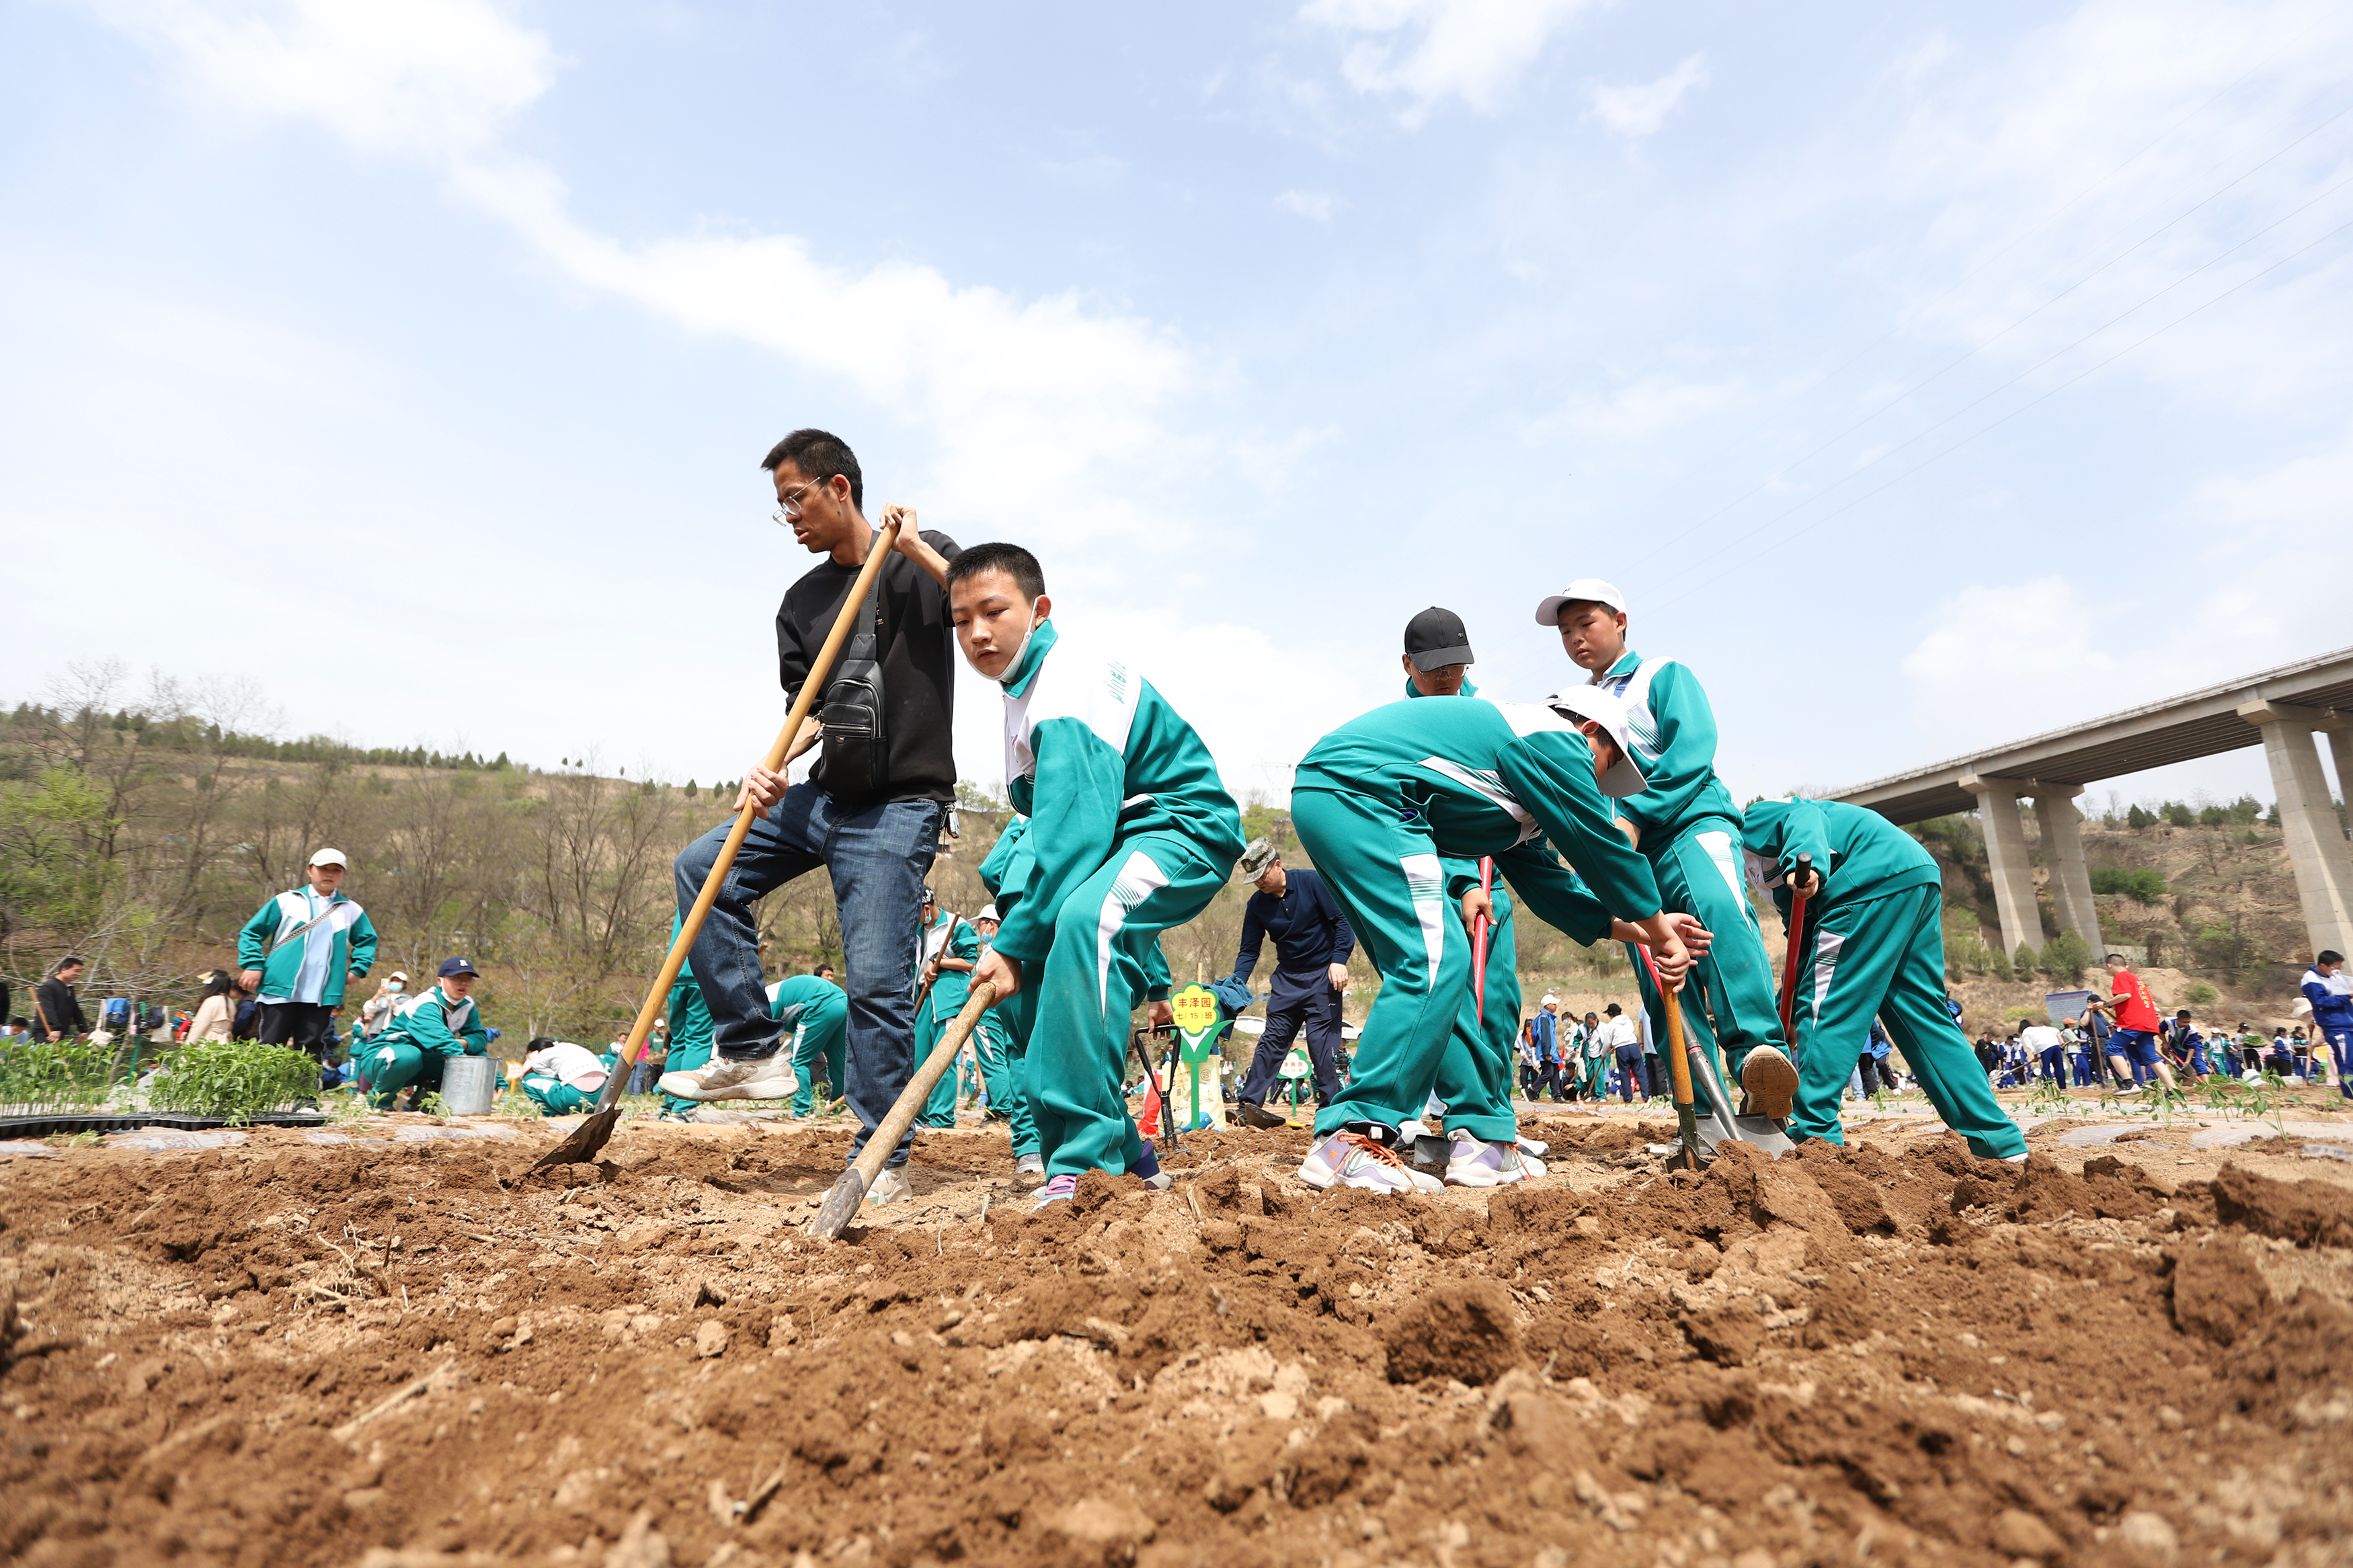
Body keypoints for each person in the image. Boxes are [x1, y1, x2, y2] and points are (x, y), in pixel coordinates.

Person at [663, 429, 961, 1208]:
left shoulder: (918, 558)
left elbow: (972, 599)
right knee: (702, 868)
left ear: (839, 487)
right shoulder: (799, 603)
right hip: (825, 796)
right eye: (778, 507)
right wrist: (775, 764)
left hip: (899, 805)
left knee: (874, 980)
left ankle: (881, 1150)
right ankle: (754, 1046)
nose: (788, 518)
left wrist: (916, 544)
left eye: (795, 499)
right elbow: (809, 710)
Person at [1285, 682, 1710, 1192]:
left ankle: (1482, 1140)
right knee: (1432, 962)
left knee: (1445, 970)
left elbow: (1552, 886)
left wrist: (1640, 930)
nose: (1598, 785)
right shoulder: (1553, 738)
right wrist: (1663, 933)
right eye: (1605, 767)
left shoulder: (1519, 789)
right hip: (1364, 796)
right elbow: (1602, 851)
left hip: (1343, 796)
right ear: (1591, 731)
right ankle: (1351, 1138)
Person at [950, 542, 1245, 1206]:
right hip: (1117, 838)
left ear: (1039, 609)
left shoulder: (1065, 680)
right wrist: (1016, 939)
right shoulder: (1019, 692)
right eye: (960, 618)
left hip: (1178, 826)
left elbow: (1074, 834)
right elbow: (1041, 829)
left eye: (993, 611)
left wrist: (1012, 938)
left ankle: (1084, 1161)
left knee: (1088, 920)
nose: (976, 632)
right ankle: (1122, 1149)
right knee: (1041, 959)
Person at [1539, 577, 1796, 1121]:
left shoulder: (1662, 674)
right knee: (1661, 970)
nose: (1576, 639)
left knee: (1719, 913)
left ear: (1621, 621)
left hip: (1688, 821)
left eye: (1587, 624)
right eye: (1566, 631)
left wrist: (1632, 816)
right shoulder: (1572, 708)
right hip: (1624, 854)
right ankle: (1701, 1112)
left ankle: (1758, 1057)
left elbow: (1692, 751)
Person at [1739, 796, 2028, 1161]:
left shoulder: (1747, 821)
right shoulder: (1748, 872)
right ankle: (1997, 1141)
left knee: (1826, 1008)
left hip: (1864, 884)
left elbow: (1803, 815)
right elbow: (1800, 937)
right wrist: (1792, 1001)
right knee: (1922, 1017)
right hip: (1910, 876)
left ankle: (1813, 1133)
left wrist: (1806, 857)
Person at [1395, 606, 1531, 1143]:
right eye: (1435, 670)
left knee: (1497, 1003)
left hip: (1491, 876)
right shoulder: (1399, 728)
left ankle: (1495, 1119)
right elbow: (1411, 819)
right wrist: (1460, 881)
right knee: (1448, 1000)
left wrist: (1481, 882)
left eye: (1457, 667)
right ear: (1407, 665)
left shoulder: (1488, 715)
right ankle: (1460, 1118)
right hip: (1430, 880)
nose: (1448, 679)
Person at [1227, 838, 1357, 1128]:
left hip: (1324, 976)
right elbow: (1249, 950)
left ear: (1278, 864)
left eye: (1262, 875)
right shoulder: (1257, 905)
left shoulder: (1313, 883)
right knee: (1272, 1040)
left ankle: (1331, 1109)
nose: (1259, 882)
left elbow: (1343, 922)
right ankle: (1248, 1105)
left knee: (1321, 1044)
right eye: (1254, 879)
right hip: (1287, 979)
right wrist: (1236, 983)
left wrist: (1339, 959)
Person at [236, 848, 378, 1072]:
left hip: (321, 993)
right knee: (270, 1044)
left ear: (343, 875)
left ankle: (305, 1101)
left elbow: (367, 940)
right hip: (279, 986)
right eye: (323, 869)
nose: (329, 874)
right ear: (310, 871)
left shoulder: (350, 909)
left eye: (336, 870)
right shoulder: (286, 901)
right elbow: (251, 933)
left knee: (311, 1047)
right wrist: (253, 964)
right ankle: (261, 1098)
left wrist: (358, 969)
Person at [976, 819, 1045, 1175]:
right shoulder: (1099, 806)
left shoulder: (1026, 819)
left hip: (1021, 947)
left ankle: (1031, 1148)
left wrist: (1013, 912)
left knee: (1021, 1052)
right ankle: (1069, 1144)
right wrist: (1157, 988)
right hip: (1069, 943)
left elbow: (991, 868)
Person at [361, 958, 490, 1110]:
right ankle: (380, 1103)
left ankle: (423, 1102)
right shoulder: (426, 1002)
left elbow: (480, 1038)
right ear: (440, 981)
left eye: (468, 979)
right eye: (456, 978)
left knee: (477, 1056)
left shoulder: (467, 1005)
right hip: (382, 1058)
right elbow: (442, 1041)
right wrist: (466, 1062)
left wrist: (463, 1044)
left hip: (420, 1061)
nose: (463, 983)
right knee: (411, 1055)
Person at [913, 889, 979, 1128]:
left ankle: (941, 1118)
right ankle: (917, 1115)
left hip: (948, 999)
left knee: (943, 1058)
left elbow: (970, 962)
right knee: (918, 1058)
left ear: (927, 909)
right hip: (923, 997)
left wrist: (938, 964)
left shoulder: (956, 925)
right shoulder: (917, 931)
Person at [775, 967, 850, 1118]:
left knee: (797, 1061)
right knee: (839, 1062)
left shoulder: (764, 1003)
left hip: (820, 1005)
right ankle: (838, 1106)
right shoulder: (769, 995)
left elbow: (764, 1039)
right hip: (842, 1002)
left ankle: (802, 1109)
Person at [2095, 953, 2173, 1094]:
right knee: (2152, 1058)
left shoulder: (2121, 976)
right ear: (2126, 965)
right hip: (2148, 1022)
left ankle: (2129, 1083)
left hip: (2132, 1021)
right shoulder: (2137, 980)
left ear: (2109, 965)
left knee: (2113, 1049)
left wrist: (2105, 1004)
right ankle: (2173, 1089)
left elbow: (2125, 995)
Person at [518, 1037, 621, 1115]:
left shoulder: (542, 1055)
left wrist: (531, 1061)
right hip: (604, 1100)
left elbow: (527, 1072)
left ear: (534, 1052)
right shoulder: (571, 1046)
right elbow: (609, 1060)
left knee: (527, 1080)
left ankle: (552, 1114)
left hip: (575, 1100)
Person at [2306, 952, 2352, 1099]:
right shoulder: (2311, 979)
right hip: (2336, 1026)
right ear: (2323, 965)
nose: (2337, 971)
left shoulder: (2333, 977)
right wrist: (2348, 996)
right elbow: (2321, 1002)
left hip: (2348, 1023)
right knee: (2346, 1062)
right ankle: (2350, 1095)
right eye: (2335, 967)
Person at [34, 957, 90, 1042]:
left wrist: (83, 1029)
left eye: (80, 972)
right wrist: (55, 1028)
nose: (79, 974)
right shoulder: (48, 987)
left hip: (60, 1033)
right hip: (47, 1032)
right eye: (76, 971)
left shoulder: (68, 988)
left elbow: (75, 1010)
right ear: (64, 970)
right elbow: (47, 1009)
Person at [184, 969, 238, 1045]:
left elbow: (199, 1027)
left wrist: (188, 1048)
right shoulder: (230, 1002)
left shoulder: (212, 1001)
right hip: (225, 1043)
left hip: (209, 1042)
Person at [358, 972, 408, 1044]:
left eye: (398, 981)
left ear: (404, 984)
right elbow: (368, 1009)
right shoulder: (381, 997)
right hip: (376, 1031)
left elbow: (401, 1013)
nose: (395, 983)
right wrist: (377, 995)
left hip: (394, 1033)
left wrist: (391, 1002)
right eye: (393, 981)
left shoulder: (407, 999)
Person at [2022, 1016, 2064, 1085]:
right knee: (2059, 1066)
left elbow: (2030, 1046)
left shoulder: (2026, 1032)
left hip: (2044, 1047)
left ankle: (2048, 1085)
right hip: (2055, 1044)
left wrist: (2035, 1056)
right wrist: (2061, 1041)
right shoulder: (2040, 1028)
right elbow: (2056, 1031)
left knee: (2046, 1067)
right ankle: (2062, 1086)